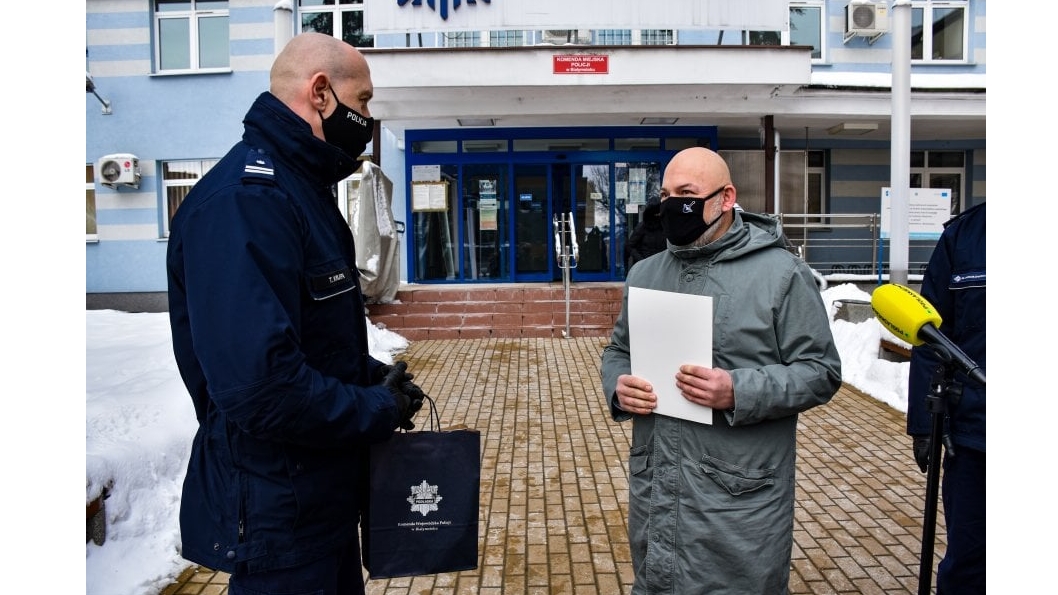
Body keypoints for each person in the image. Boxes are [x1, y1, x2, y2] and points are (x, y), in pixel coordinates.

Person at [166, 32, 424, 595]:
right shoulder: (248, 201)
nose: (368, 117)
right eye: (364, 101)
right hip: (277, 515)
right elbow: (262, 386)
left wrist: (370, 378)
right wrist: (374, 408)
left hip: (317, 505)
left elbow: (306, 343)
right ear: (321, 93)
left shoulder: (299, 190)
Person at [600, 147, 842, 594]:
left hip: (738, 496)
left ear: (726, 197)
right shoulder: (645, 273)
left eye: (687, 194)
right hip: (659, 485)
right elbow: (619, 348)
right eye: (666, 194)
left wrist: (738, 390)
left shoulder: (781, 274)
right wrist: (619, 385)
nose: (673, 206)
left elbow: (820, 370)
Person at [906, 202, 986, 594]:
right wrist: (925, 428)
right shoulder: (965, 235)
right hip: (976, 441)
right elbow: (930, 338)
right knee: (970, 560)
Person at [623, 196, 666, 271]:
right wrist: (641, 260)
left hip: (661, 266)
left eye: (659, 213)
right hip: (644, 267)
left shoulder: (665, 226)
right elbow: (630, 246)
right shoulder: (642, 227)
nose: (658, 215)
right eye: (656, 213)